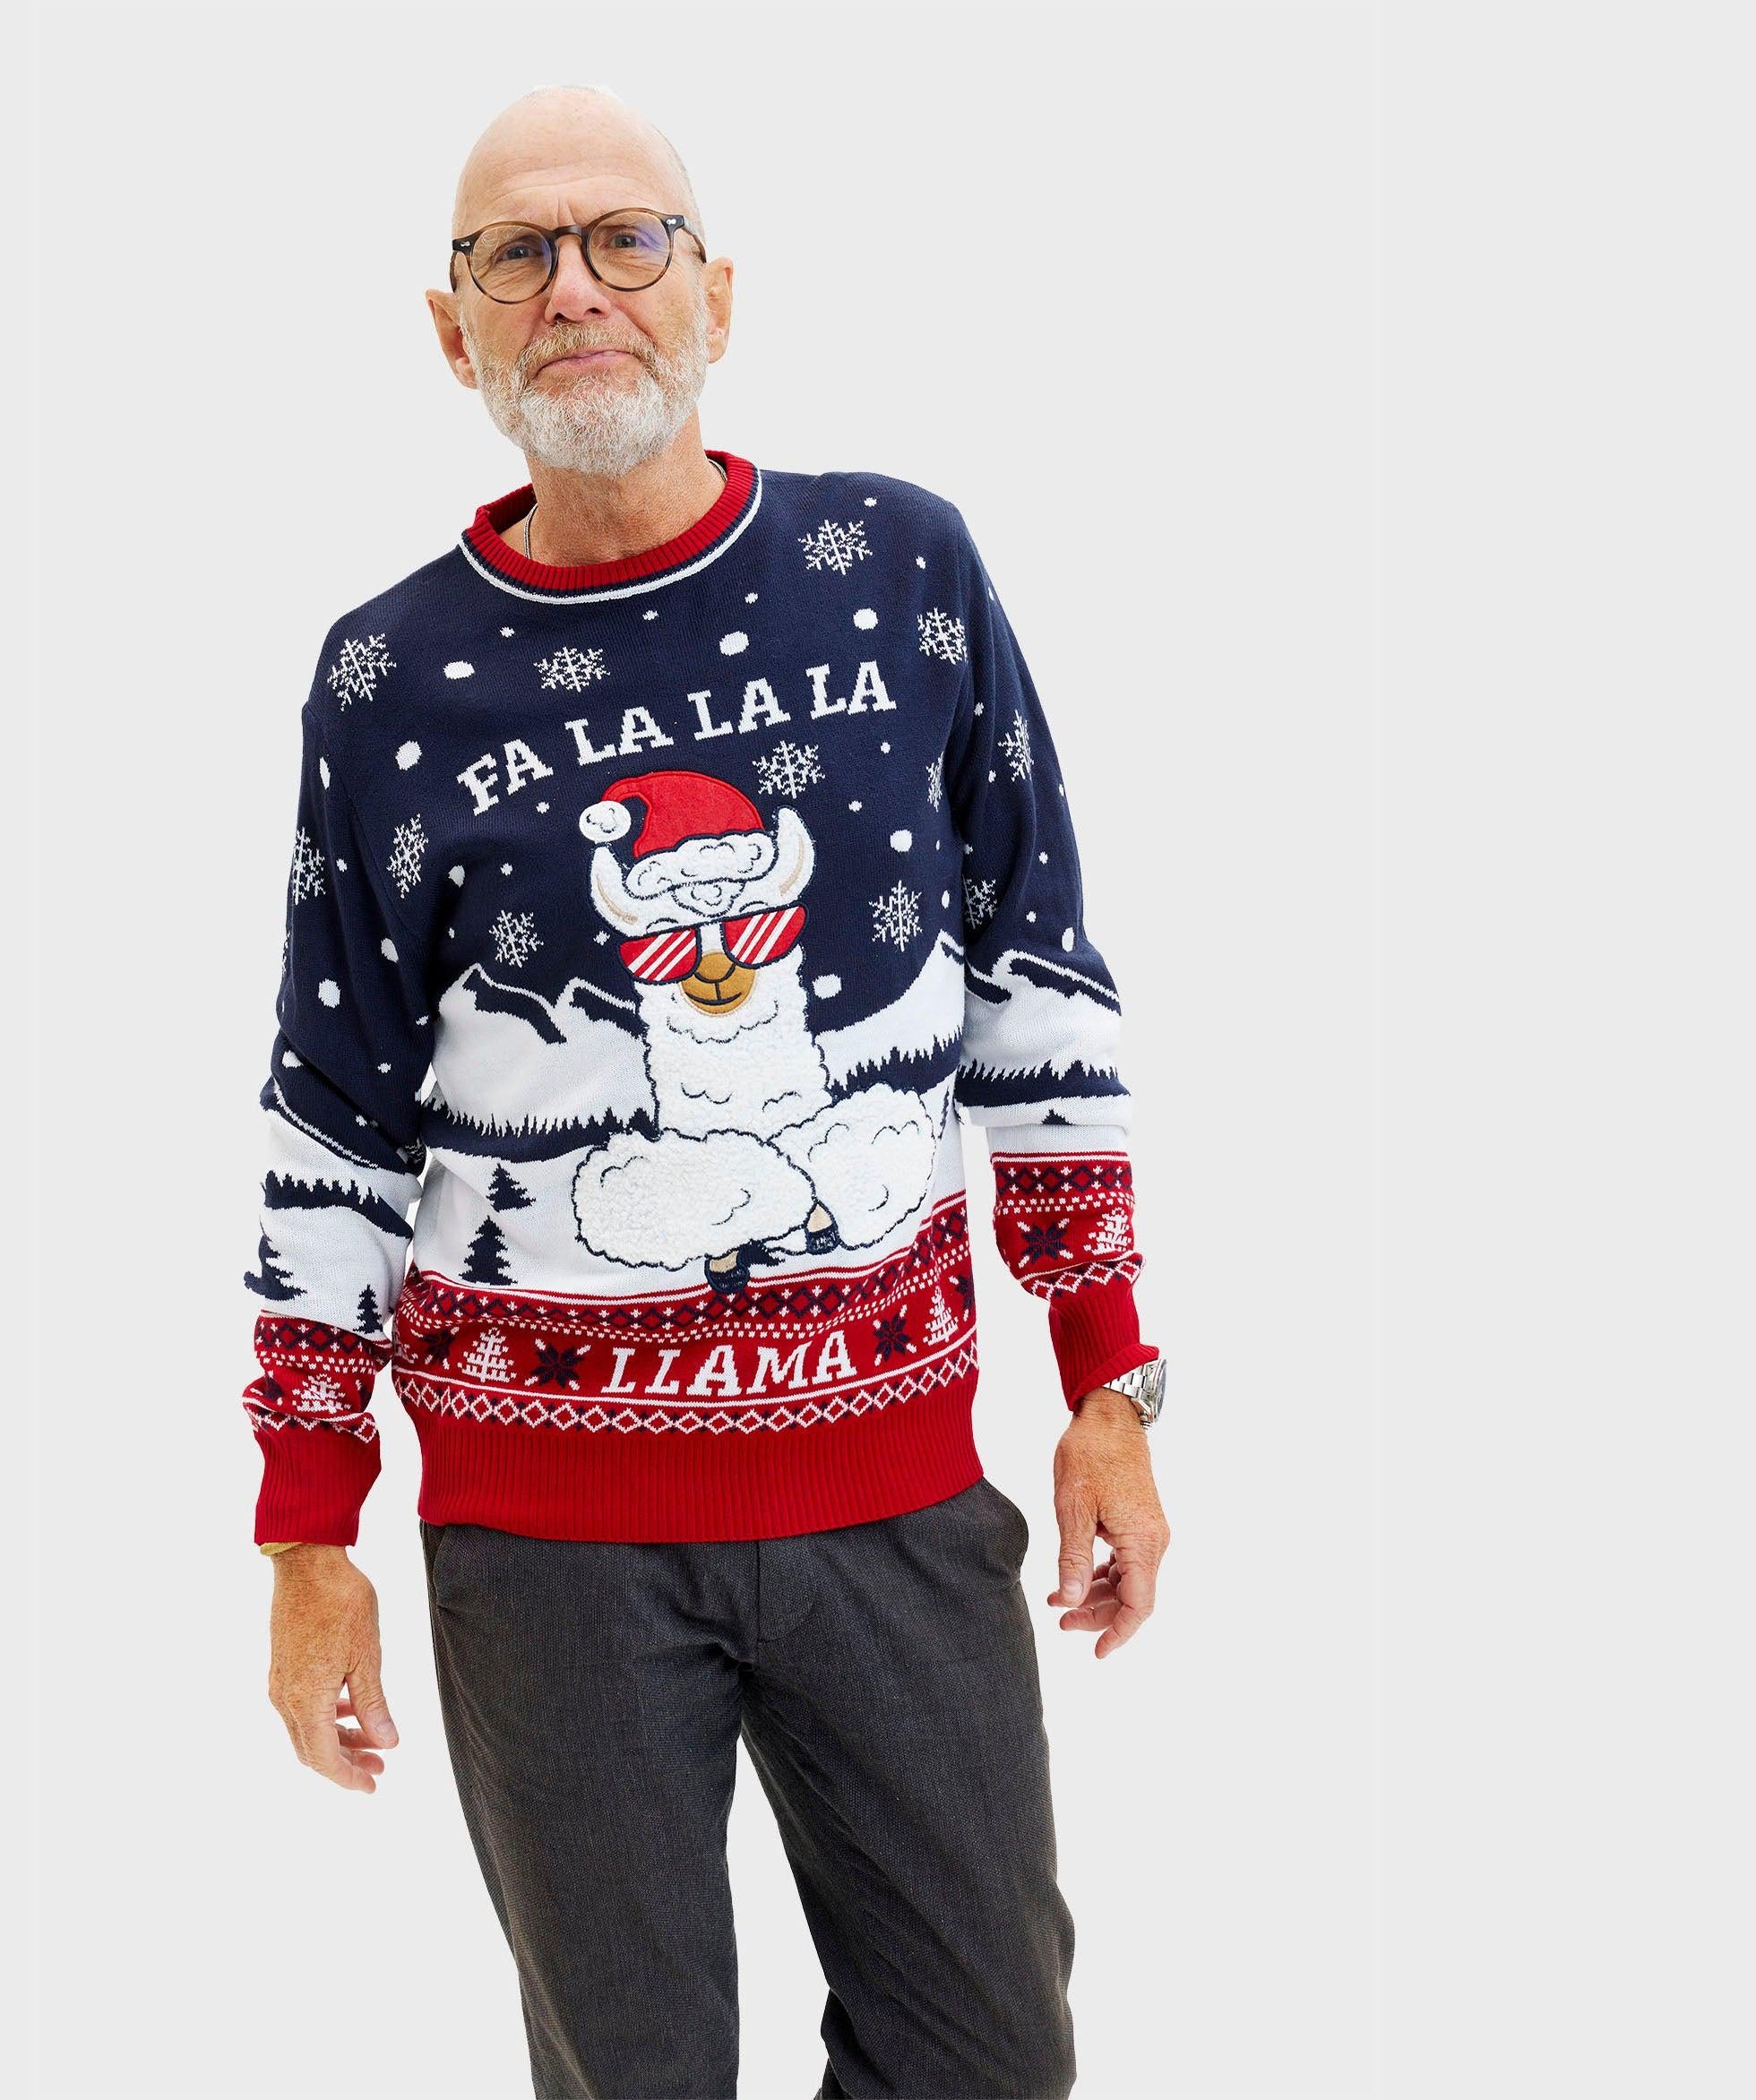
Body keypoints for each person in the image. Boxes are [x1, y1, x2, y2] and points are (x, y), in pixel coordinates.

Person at [242, 82, 1171, 2100]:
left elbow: (1034, 977)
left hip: (891, 1490)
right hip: (542, 1541)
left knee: (989, 2055)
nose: (575, 287)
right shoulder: (386, 678)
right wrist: (309, 1525)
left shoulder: (896, 566)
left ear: (716, 295)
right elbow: (336, 1110)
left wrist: (1106, 1376)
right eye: (517, 254)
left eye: (625, 238)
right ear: (454, 331)